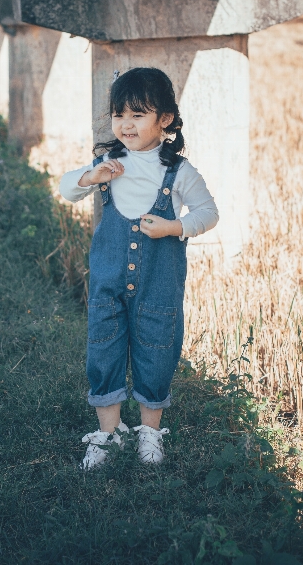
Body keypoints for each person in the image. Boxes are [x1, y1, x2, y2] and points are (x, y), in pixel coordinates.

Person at [59, 67, 219, 471]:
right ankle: (107, 434)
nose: (125, 124)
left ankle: (150, 431)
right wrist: (90, 176)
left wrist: (174, 228)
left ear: (164, 119)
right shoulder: (109, 163)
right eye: (119, 115)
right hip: (108, 283)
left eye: (137, 115)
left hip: (158, 287)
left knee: (156, 351)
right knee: (104, 349)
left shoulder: (179, 172)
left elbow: (208, 212)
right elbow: (66, 190)